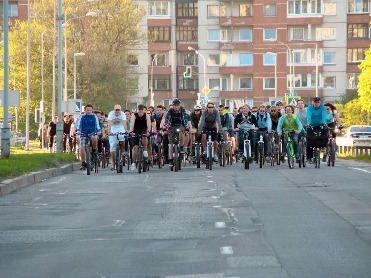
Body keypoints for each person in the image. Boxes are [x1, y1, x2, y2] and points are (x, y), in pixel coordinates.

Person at [163, 98, 188, 168]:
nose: (176, 107)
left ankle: (182, 147)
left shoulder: (182, 110)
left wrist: (186, 125)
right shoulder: (170, 111)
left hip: (180, 125)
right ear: (173, 106)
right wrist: (165, 126)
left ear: (179, 105)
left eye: (177, 105)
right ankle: (171, 160)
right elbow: (167, 119)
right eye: (175, 105)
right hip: (172, 126)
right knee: (171, 143)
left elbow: (185, 118)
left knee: (181, 133)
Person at [76, 104, 101, 170]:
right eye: (87, 110)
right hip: (84, 133)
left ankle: (94, 151)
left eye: (90, 110)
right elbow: (79, 125)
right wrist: (78, 130)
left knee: (95, 138)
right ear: (85, 110)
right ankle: (83, 163)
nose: (89, 111)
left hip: (92, 132)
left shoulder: (94, 116)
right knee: (82, 147)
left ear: (92, 110)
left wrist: (99, 131)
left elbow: (97, 125)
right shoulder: (82, 116)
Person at [128, 104, 152, 171]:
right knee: (135, 147)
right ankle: (133, 162)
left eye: (142, 110)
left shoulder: (146, 116)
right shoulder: (134, 115)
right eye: (139, 110)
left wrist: (148, 131)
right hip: (136, 130)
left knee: (144, 136)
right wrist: (131, 131)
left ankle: (144, 150)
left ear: (144, 110)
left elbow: (149, 124)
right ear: (138, 110)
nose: (141, 112)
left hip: (143, 129)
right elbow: (132, 124)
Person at [306, 97, 327, 163]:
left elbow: (324, 116)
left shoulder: (323, 108)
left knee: (325, 131)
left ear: (320, 102)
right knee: (309, 139)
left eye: (318, 102)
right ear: (313, 102)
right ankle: (309, 157)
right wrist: (308, 123)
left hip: (320, 124)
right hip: (312, 124)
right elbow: (309, 116)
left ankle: (323, 146)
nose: (316, 103)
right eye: (315, 102)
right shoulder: (309, 108)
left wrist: (324, 123)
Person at [107, 104, 127, 170]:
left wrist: (126, 130)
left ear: (120, 110)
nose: (117, 111)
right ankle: (113, 163)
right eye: (116, 110)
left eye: (118, 110)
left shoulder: (123, 114)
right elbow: (109, 123)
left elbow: (124, 123)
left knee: (122, 137)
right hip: (113, 128)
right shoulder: (111, 114)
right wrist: (109, 131)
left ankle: (123, 149)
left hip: (120, 128)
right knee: (112, 146)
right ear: (114, 110)